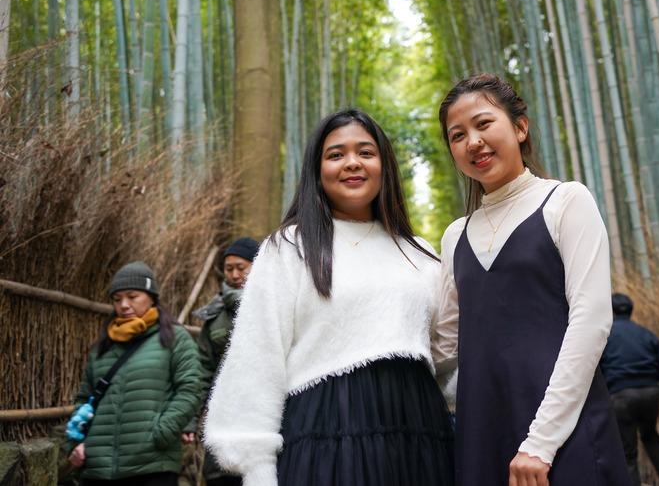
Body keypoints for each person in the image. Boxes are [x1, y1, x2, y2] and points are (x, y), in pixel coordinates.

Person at [203, 109, 454, 486]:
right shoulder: (288, 247)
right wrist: (256, 465)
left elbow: (447, 357)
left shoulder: (419, 253)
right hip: (327, 437)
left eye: (366, 153)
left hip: (418, 434)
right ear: (317, 171)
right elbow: (258, 357)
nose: (352, 163)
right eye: (336, 154)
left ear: (384, 165)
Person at [432, 73, 630, 486]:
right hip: (482, 435)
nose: (472, 142)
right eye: (457, 135)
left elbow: (591, 322)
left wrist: (541, 442)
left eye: (484, 124)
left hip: (563, 432)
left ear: (520, 128)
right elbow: (444, 346)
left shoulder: (565, 202)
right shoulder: (455, 236)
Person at [67, 261, 202, 486]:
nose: (124, 305)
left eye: (132, 296)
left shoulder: (174, 339)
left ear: (151, 297)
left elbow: (190, 389)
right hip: (99, 469)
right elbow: (84, 398)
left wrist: (161, 433)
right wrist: (75, 444)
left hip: (151, 465)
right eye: (117, 299)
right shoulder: (103, 346)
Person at [186, 237, 259, 486]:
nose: (235, 274)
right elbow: (202, 371)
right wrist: (191, 419)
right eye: (229, 269)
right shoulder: (215, 315)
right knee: (220, 476)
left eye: (242, 267)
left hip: (262, 413)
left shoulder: (273, 306)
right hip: (223, 414)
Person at [600, 293, 659, 486]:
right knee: (650, 435)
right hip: (651, 394)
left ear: (608, 311)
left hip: (621, 397)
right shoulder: (647, 334)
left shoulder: (604, 336)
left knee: (628, 453)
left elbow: (599, 371)